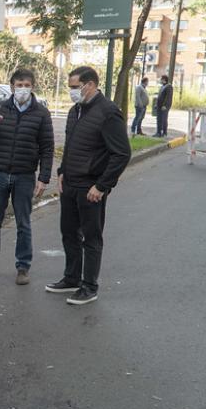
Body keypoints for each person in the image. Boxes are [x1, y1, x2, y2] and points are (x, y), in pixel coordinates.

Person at [46, 67, 131, 305]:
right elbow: (71, 146)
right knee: (69, 233)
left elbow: (122, 154)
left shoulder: (108, 113)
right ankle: (71, 278)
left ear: (90, 85)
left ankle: (89, 286)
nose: (72, 92)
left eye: (75, 87)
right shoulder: (75, 111)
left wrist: (102, 186)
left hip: (91, 187)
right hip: (70, 184)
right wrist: (62, 171)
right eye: (70, 87)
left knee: (91, 238)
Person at [0, 68, 54, 285]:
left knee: (23, 224)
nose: (23, 89)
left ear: (33, 87)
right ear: (12, 87)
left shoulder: (41, 113)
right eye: (19, 85)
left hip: (24, 176)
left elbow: (47, 148)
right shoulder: (1, 107)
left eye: (27, 85)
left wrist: (44, 177)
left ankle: (23, 267)